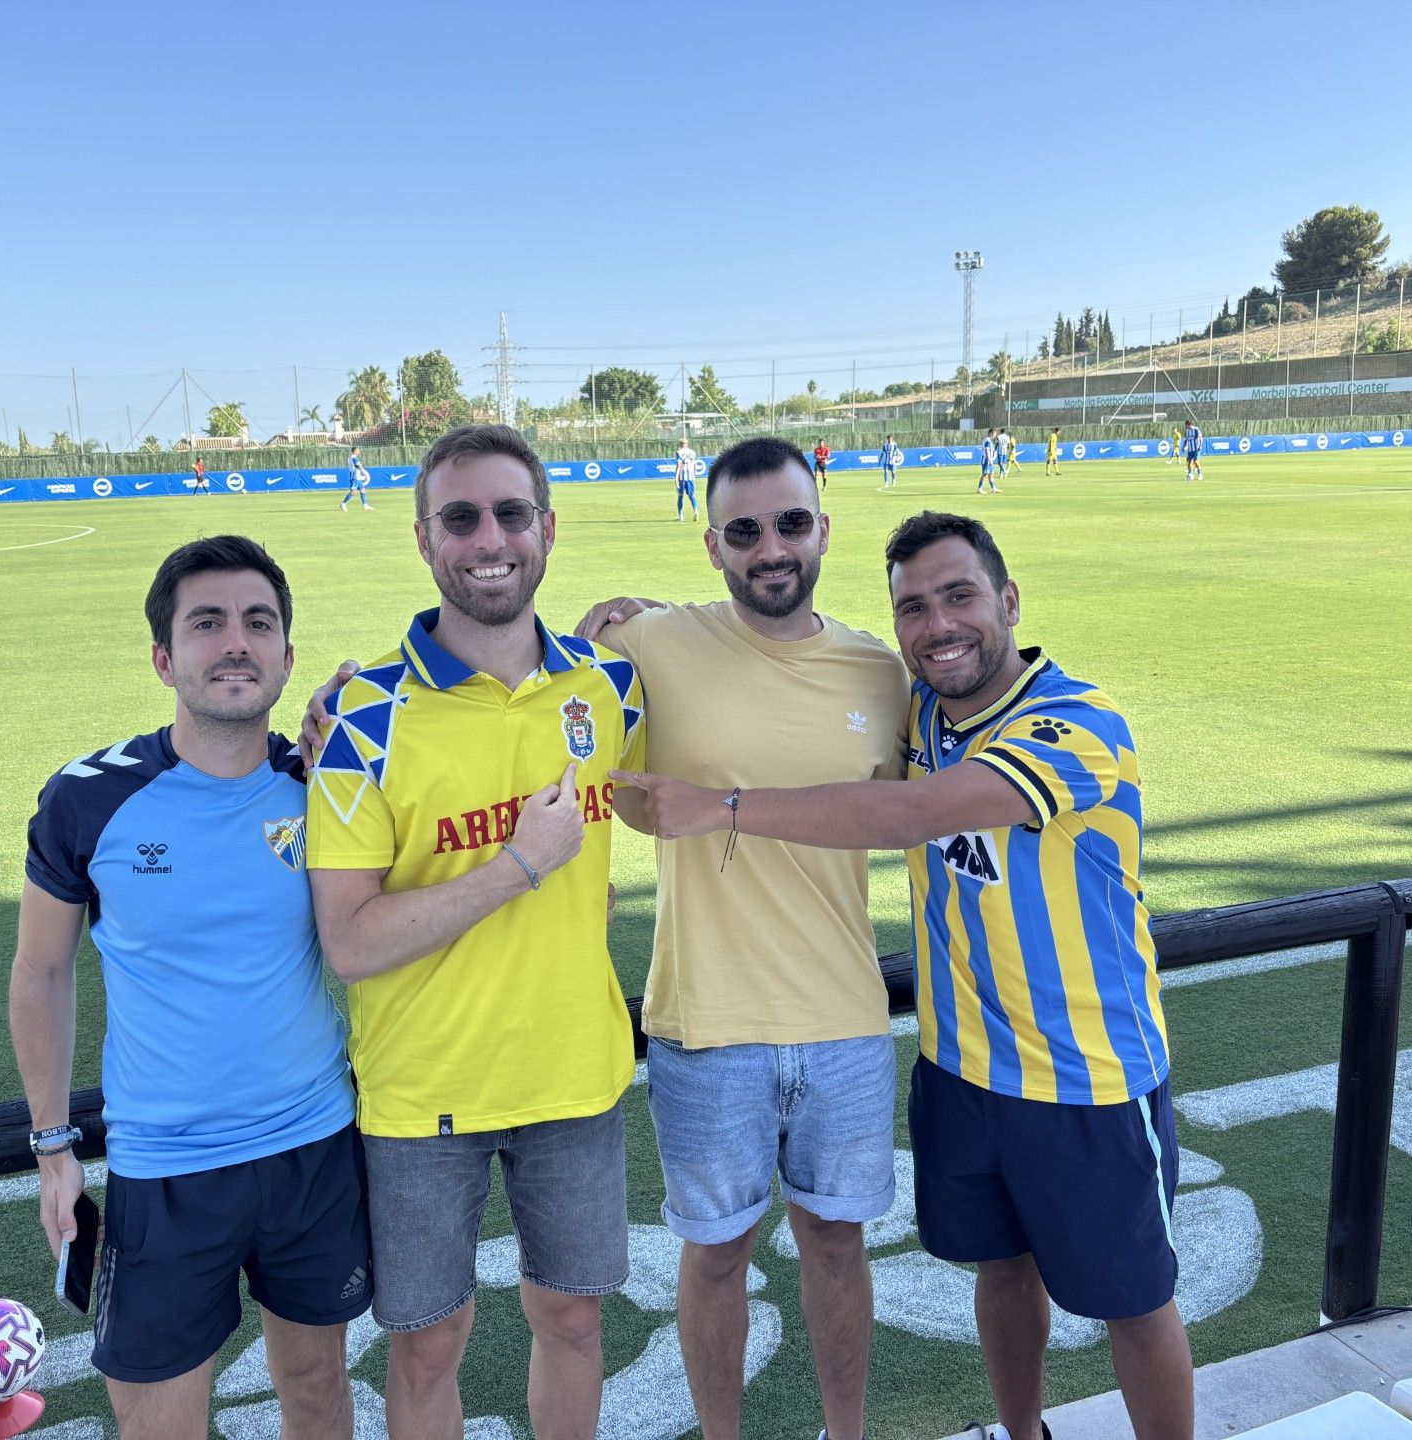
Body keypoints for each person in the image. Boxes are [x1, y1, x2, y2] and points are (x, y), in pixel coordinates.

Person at [610, 511, 1194, 1440]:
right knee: (1001, 1270)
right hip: (962, 1069)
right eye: (913, 608)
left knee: (1134, 1300)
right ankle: (1023, 1434)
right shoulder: (918, 709)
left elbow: (912, 812)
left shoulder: (1080, 726)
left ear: (1008, 600)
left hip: (1087, 1076)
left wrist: (720, 807)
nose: (938, 625)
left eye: (959, 596)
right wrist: (641, 619)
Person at [306, 423, 645, 1440]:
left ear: (547, 527)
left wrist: (661, 617)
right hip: (422, 1091)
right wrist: (517, 868)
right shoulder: (364, 715)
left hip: (575, 1070)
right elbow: (351, 941)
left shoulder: (611, 684)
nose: (488, 538)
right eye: (461, 518)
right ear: (423, 539)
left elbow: (729, 686)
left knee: (573, 1320)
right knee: (427, 1343)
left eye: (510, 514)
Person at [572, 435, 911, 1440]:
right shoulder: (650, 644)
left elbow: (906, 812)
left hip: (845, 1017)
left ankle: (842, 1435)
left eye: (791, 524)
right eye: (745, 530)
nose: (772, 548)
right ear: (712, 541)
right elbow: (527, 705)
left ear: (822, 529)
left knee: (837, 1246)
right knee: (714, 1254)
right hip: (705, 1022)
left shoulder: (877, 672)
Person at [10, 535, 371, 1438]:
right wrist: (54, 1146)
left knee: (319, 1392)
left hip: (315, 1148)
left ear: (289, 653)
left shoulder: (323, 781)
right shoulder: (88, 800)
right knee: (159, 1425)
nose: (236, 643)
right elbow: (42, 970)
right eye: (206, 624)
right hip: (167, 1167)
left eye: (259, 623)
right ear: (165, 657)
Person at [674, 436, 701, 521]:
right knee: (692, 495)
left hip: (682, 476)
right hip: (691, 477)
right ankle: (696, 511)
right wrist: (695, 474)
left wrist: (676, 478)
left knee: (680, 496)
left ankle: (681, 515)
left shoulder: (679, 452)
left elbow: (679, 466)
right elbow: (694, 465)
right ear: (687, 444)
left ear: (680, 444)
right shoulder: (692, 452)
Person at [343, 446, 373, 511]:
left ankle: (365, 505)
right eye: (358, 450)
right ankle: (343, 504)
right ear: (355, 451)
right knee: (353, 492)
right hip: (355, 477)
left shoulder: (352, 457)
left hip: (357, 477)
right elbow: (357, 466)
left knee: (362, 490)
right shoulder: (354, 458)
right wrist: (364, 473)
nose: (359, 451)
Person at [976, 431, 1000, 495]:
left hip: (989, 460)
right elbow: (986, 450)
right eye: (994, 433)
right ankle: (979, 489)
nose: (995, 435)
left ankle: (993, 488)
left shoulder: (990, 441)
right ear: (991, 433)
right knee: (985, 474)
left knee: (991, 474)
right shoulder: (987, 440)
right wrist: (989, 460)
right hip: (986, 460)